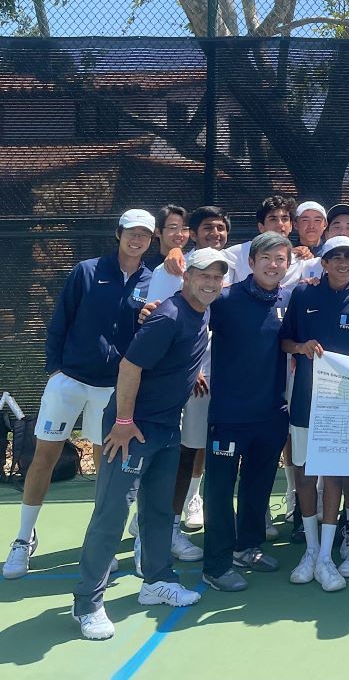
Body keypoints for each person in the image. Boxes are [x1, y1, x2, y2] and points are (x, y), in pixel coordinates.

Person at [70, 247, 227, 640]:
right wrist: (123, 422)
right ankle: (87, 602)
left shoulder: (201, 311)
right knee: (111, 514)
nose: (210, 283)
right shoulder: (168, 316)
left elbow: (177, 358)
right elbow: (130, 366)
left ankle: (156, 581)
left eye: (217, 277)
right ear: (187, 277)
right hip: (132, 430)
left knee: (158, 510)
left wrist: (190, 377)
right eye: (203, 275)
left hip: (166, 428)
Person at [4, 210, 155, 581]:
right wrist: (55, 368)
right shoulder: (87, 270)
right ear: (118, 234)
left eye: (145, 235)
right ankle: (23, 541)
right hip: (69, 380)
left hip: (114, 388)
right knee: (43, 458)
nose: (137, 240)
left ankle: (99, 543)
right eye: (131, 233)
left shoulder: (154, 281)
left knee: (107, 469)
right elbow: (61, 319)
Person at [201, 233, 295, 592]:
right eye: (267, 258)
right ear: (252, 262)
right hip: (228, 414)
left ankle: (248, 547)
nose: (274, 265)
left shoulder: (290, 298)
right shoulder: (223, 299)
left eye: (281, 259)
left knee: (258, 485)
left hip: (271, 414)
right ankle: (217, 563)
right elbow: (190, 323)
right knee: (220, 490)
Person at [280, 236, 349, 592]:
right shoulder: (303, 295)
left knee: (333, 477)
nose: (343, 263)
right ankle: (312, 548)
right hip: (305, 400)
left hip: (345, 406)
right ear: (324, 262)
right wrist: (301, 347)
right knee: (305, 476)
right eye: (336, 257)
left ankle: (325, 558)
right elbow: (284, 341)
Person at [147, 205, 232, 562]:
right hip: (180, 380)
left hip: (218, 380)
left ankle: (178, 518)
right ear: (192, 233)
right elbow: (157, 315)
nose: (216, 234)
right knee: (174, 454)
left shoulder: (234, 264)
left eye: (221, 229)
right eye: (208, 228)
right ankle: (162, 529)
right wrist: (190, 365)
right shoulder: (170, 268)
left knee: (199, 451)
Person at [145, 204, 189, 270]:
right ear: (158, 232)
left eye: (185, 229)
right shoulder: (146, 269)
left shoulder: (194, 263)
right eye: (172, 228)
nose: (179, 234)